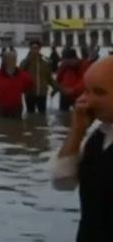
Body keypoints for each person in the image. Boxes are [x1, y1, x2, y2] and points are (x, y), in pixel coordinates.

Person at [51, 55, 113, 241]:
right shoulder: (99, 136)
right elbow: (62, 181)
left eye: (99, 93)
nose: (85, 100)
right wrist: (77, 132)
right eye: (86, 91)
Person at [0, 51, 33, 118]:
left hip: (16, 107)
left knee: (17, 126)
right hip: (1, 106)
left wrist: (22, 90)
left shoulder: (22, 75)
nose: (12, 61)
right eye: (9, 59)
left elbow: (29, 83)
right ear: (5, 61)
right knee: (2, 125)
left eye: (14, 59)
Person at [20, 40, 57, 114]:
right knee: (30, 115)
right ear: (30, 49)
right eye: (33, 48)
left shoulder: (45, 63)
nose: (35, 50)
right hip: (30, 94)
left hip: (42, 94)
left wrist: (56, 88)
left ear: (40, 49)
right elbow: (20, 74)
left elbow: (49, 78)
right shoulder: (25, 62)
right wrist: (28, 59)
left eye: (36, 48)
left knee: (42, 114)